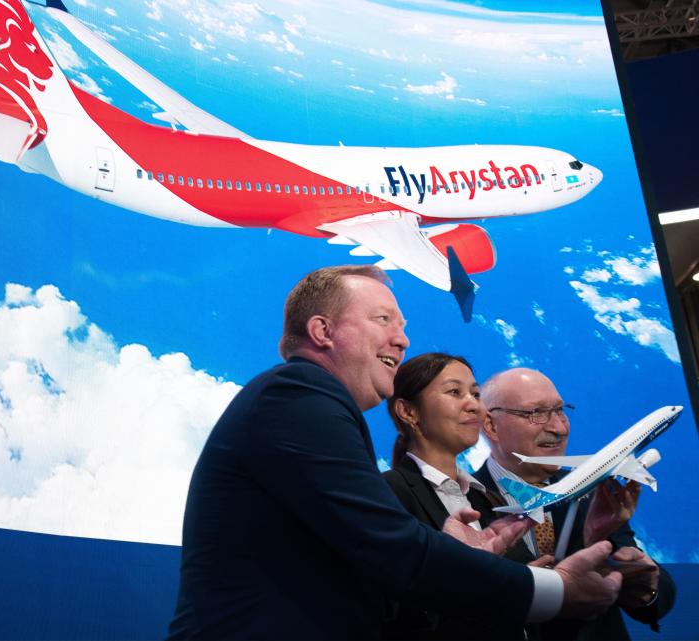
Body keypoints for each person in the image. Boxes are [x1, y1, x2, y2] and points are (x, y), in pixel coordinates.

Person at [168, 266, 621, 640]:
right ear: (322, 331)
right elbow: (393, 551)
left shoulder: (315, 405)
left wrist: (450, 551)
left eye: (403, 326)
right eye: (384, 320)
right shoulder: (298, 394)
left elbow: (371, 573)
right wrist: (555, 591)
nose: (403, 340)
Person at [477, 368, 676, 640]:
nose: (558, 428)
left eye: (560, 410)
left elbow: (656, 592)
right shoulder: (460, 501)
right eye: (536, 413)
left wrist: (647, 586)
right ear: (490, 426)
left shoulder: (594, 489)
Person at [382, 353, 538, 640]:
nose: (474, 406)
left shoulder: (488, 498)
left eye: (476, 394)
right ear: (408, 411)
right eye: (455, 392)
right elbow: (393, 613)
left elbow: (527, 585)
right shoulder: (388, 494)